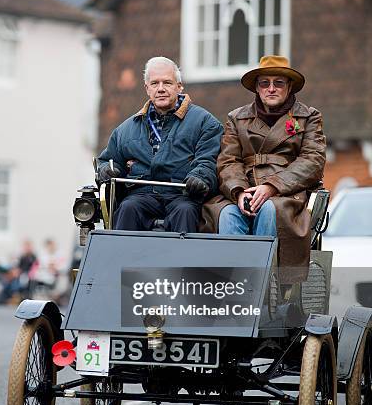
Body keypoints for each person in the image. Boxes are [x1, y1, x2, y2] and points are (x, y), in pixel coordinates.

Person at [202, 55, 326, 281]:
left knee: (269, 209)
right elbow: (228, 161)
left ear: (289, 87)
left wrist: (271, 187)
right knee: (227, 214)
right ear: (257, 89)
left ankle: (261, 285)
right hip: (243, 191)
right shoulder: (236, 118)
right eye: (264, 83)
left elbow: (313, 160)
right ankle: (232, 288)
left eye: (278, 83)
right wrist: (238, 192)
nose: (271, 88)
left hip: (286, 194)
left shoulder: (308, 116)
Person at [96, 56, 223, 232]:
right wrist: (107, 170)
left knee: (185, 211)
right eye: (155, 83)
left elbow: (208, 160)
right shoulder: (126, 129)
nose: (161, 89)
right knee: (127, 208)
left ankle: (184, 260)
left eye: (167, 83)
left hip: (182, 195)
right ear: (147, 88)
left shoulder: (205, 123)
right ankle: (122, 259)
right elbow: (108, 160)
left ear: (179, 86)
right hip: (142, 195)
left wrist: (200, 176)